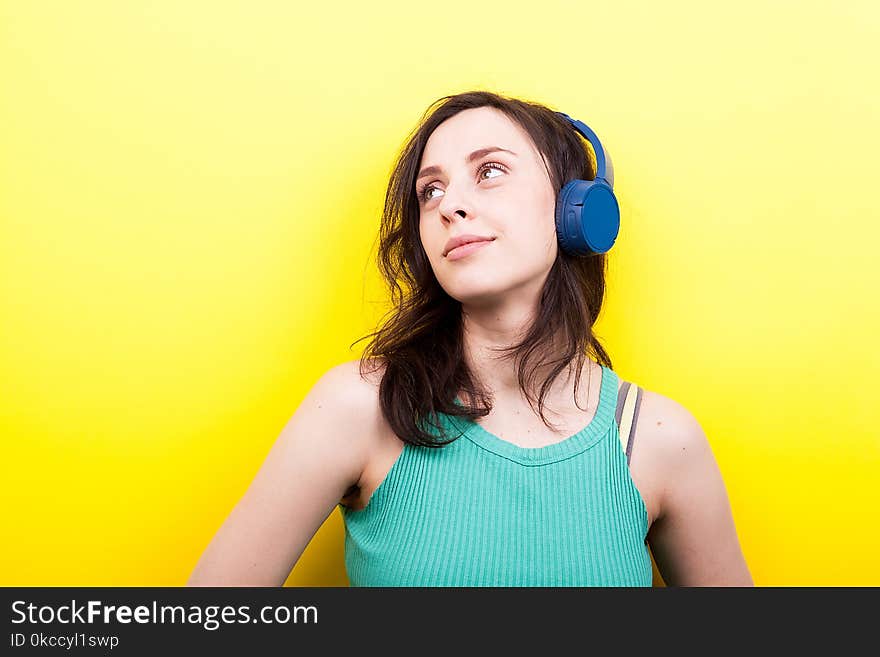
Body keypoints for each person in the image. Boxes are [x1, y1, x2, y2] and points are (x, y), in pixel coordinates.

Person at [187, 90, 753, 587]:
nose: (449, 205)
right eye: (430, 191)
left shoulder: (661, 440)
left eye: (489, 172)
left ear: (575, 211)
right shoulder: (359, 407)